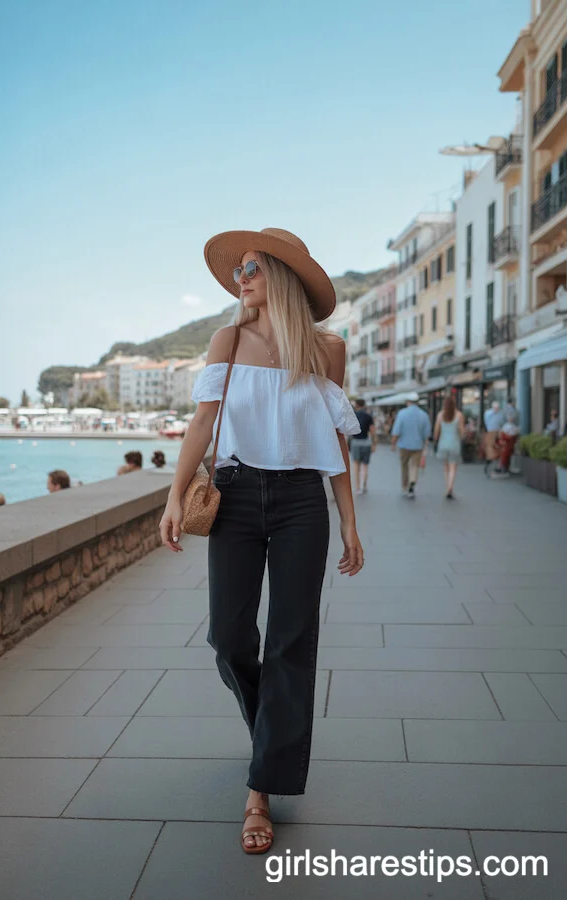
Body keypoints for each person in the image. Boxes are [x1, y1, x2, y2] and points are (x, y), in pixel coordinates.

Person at [158, 228, 364, 855]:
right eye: (238, 270)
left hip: (304, 500)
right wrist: (172, 494)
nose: (240, 279)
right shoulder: (229, 339)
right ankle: (272, 734)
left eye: (250, 268)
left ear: (281, 276)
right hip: (237, 495)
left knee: (291, 643)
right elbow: (204, 421)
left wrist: (349, 521)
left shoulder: (327, 350)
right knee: (228, 636)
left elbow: (336, 443)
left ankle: (260, 790)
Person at [390, 394, 431, 499]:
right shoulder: (424, 415)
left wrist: (393, 443)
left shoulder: (402, 414)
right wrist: (425, 445)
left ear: (408, 402)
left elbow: (396, 430)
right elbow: (426, 433)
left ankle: (405, 485)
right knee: (414, 465)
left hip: (404, 445)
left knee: (404, 466)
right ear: (417, 402)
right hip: (418, 445)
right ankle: (412, 482)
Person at [433, 395, 465, 499]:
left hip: (443, 444)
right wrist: (463, 436)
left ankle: (447, 487)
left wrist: (435, 439)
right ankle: (450, 487)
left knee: (446, 467)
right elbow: (462, 432)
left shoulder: (440, 415)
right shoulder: (459, 415)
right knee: (453, 467)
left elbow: (436, 431)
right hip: (454, 444)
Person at [350, 398, 376, 495]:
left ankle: (357, 488)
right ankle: (364, 485)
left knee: (356, 465)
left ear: (356, 405)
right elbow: (373, 431)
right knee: (365, 465)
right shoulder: (368, 416)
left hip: (356, 442)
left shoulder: (353, 416)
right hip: (366, 442)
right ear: (364, 405)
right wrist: (374, 444)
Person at [483, 401, 504, 472]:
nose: (496, 409)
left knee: (499, 447)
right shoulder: (488, 413)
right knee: (490, 447)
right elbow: (486, 422)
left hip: (498, 431)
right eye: (495, 408)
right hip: (491, 431)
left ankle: (498, 465)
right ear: (492, 407)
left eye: (497, 408)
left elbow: (501, 422)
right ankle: (489, 461)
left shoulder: (500, 414)